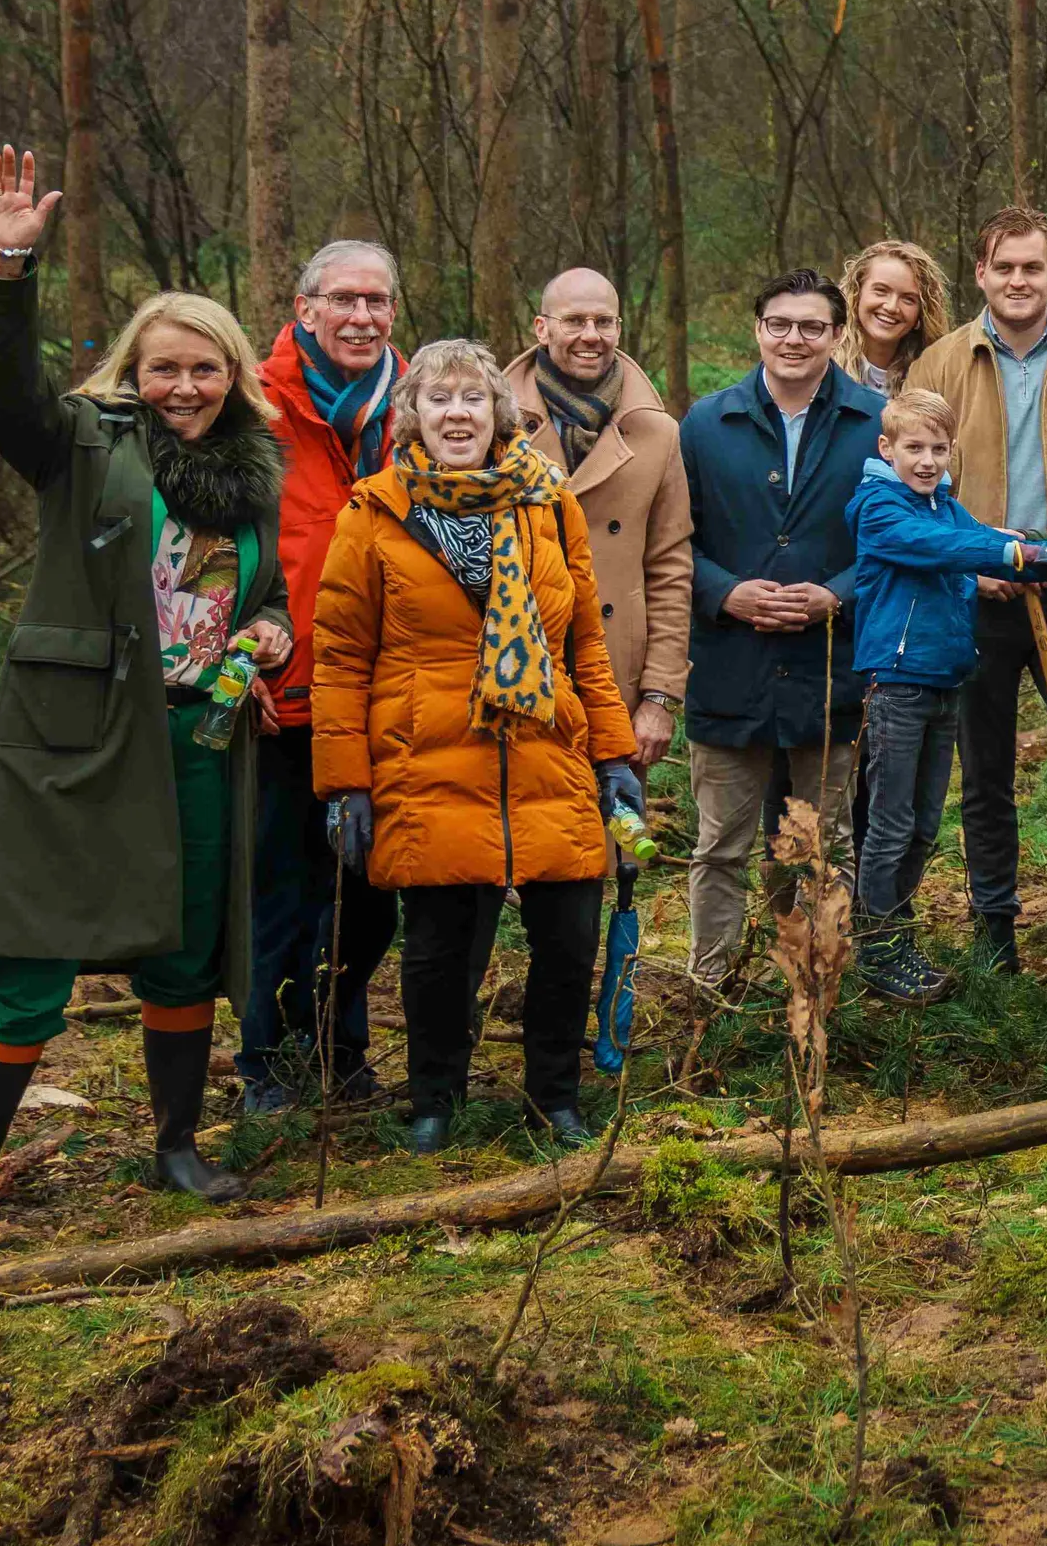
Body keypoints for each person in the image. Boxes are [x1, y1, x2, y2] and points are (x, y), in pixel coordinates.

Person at [0, 150, 293, 1246]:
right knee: (30, 958)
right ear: (133, 370)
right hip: (74, 740)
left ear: (235, 376)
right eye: (165, 368)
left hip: (196, 742)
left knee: (183, 951)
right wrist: (7, 264)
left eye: (205, 369)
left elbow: (277, 597)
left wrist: (269, 631)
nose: (185, 387)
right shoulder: (81, 440)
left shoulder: (256, 475)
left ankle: (175, 1145)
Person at [310, 339, 644, 1152]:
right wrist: (346, 782)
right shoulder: (373, 512)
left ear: (498, 413)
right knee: (436, 956)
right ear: (413, 416)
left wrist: (615, 756)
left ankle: (554, 1098)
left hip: (548, 757)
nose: (456, 413)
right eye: (439, 399)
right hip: (426, 765)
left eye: (471, 399)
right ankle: (436, 1102)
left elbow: (584, 647)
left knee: (568, 941)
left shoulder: (546, 502)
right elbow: (341, 655)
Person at [901, 208, 1047, 964]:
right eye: (1004, 267)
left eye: (1033, 267)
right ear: (980, 274)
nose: (1018, 281)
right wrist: (967, 561)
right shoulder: (941, 364)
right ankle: (994, 927)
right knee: (985, 772)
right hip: (978, 595)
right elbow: (910, 482)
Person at [848, 388, 1047, 1004]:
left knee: (926, 823)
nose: (927, 460)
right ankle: (876, 944)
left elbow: (983, 539)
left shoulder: (942, 504)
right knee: (890, 820)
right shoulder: (879, 506)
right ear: (887, 448)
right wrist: (1016, 549)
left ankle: (896, 933)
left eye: (937, 448)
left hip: (945, 678)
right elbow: (953, 549)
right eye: (913, 448)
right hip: (898, 680)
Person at [678, 271, 888, 982]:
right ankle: (712, 986)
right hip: (731, 663)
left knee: (827, 842)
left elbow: (899, 540)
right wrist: (724, 592)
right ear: (757, 329)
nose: (793, 339)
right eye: (779, 324)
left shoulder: (875, 422)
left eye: (810, 327)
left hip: (833, 666)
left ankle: (817, 982)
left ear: (837, 335)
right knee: (721, 846)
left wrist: (837, 594)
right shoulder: (707, 423)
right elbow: (675, 540)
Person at [244, 235, 406, 1109]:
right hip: (284, 692)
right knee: (282, 887)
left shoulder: (417, 405)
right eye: (343, 300)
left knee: (371, 891)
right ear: (305, 310)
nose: (361, 316)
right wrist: (237, 660)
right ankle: (265, 1066)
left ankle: (341, 1052)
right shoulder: (254, 405)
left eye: (377, 301)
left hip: (388, 697)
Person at [509, 270, 690, 775]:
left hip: (617, 678)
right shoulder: (490, 419)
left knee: (616, 838)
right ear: (542, 329)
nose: (591, 335)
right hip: (514, 673)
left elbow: (671, 568)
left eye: (603, 321)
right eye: (575, 321)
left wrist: (659, 696)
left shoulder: (657, 431)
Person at [837, 239, 953, 395]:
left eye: (908, 299)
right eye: (881, 291)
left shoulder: (934, 377)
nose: (891, 307)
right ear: (856, 294)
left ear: (921, 314)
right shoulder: (821, 368)